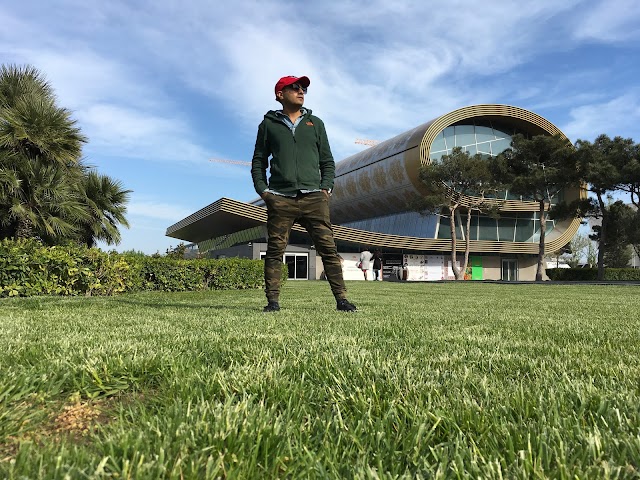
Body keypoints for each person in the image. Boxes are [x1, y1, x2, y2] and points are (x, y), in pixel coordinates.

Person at [251, 75, 357, 313]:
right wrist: (264, 191)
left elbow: (327, 161)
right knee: (275, 250)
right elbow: (259, 161)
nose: (302, 92)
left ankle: (342, 300)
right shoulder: (268, 125)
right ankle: (273, 302)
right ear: (280, 94)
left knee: (328, 249)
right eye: (295, 88)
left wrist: (326, 187)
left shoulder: (315, 123)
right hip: (280, 198)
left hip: (314, 198)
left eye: (304, 89)